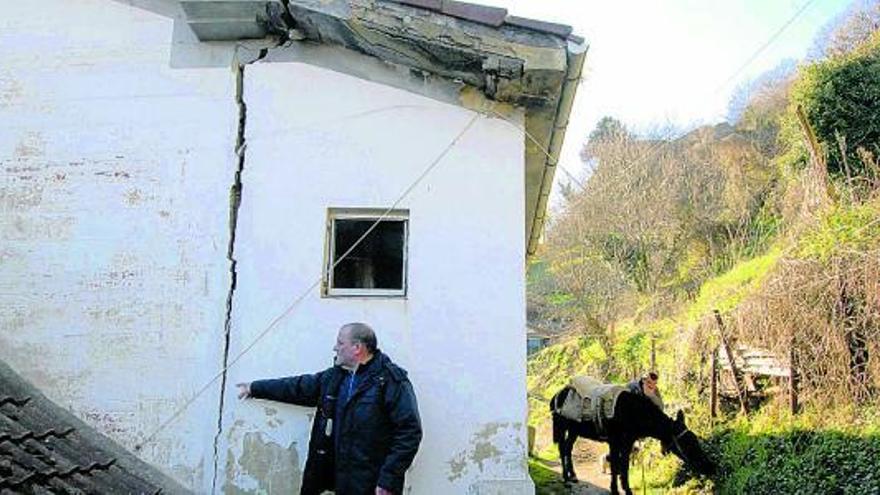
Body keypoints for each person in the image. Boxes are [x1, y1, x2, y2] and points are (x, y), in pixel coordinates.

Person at [237, 323, 422, 495]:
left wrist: (388, 479)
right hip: (338, 479)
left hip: (370, 483)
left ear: (357, 348)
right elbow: (297, 387)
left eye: (340, 343)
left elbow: (409, 432)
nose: (335, 348)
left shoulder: (390, 381)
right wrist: (255, 388)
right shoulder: (335, 377)